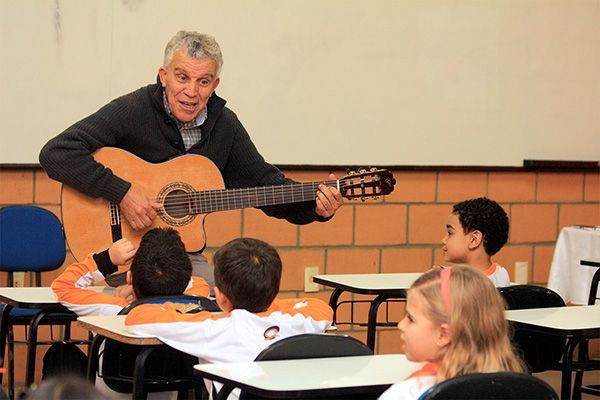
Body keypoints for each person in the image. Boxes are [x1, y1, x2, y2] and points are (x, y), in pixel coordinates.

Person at [39, 31, 343, 287]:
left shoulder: (225, 126)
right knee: (136, 307)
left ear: (215, 85)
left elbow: (267, 185)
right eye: (182, 77)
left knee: (215, 300)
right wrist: (124, 193)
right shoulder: (133, 110)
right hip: (127, 254)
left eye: (203, 81)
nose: (191, 92)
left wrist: (315, 206)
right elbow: (57, 153)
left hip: (183, 258)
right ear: (164, 76)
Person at [124, 237, 333, 397]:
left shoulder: (213, 328)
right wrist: (268, 305)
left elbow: (138, 316)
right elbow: (320, 307)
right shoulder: (299, 322)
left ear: (221, 297)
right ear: (274, 291)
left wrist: (172, 308)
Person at [379, 266, 525, 399]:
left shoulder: (407, 393)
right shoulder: (520, 389)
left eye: (411, 319)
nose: (401, 325)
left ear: (443, 335)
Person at [52, 227, 209, 316]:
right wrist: (136, 284)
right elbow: (195, 282)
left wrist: (106, 260)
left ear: (129, 277)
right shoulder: (197, 302)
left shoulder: (116, 309)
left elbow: (63, 286)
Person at [441, 197, 511, 287]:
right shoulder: (501, 275)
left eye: (450, 233)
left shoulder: (446, 279)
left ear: (474, 239)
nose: (443, 240)